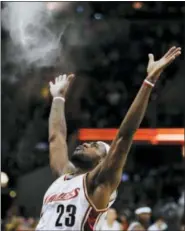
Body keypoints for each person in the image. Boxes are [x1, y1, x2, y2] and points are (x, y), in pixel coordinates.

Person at [36, 46, 181, 230]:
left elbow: (123, 137)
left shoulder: (99, 182)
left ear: (103, 161)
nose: (86, 143)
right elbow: (56, 138)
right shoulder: (63, 177)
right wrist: (58, 98)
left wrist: (149, 81)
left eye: (95, 146)